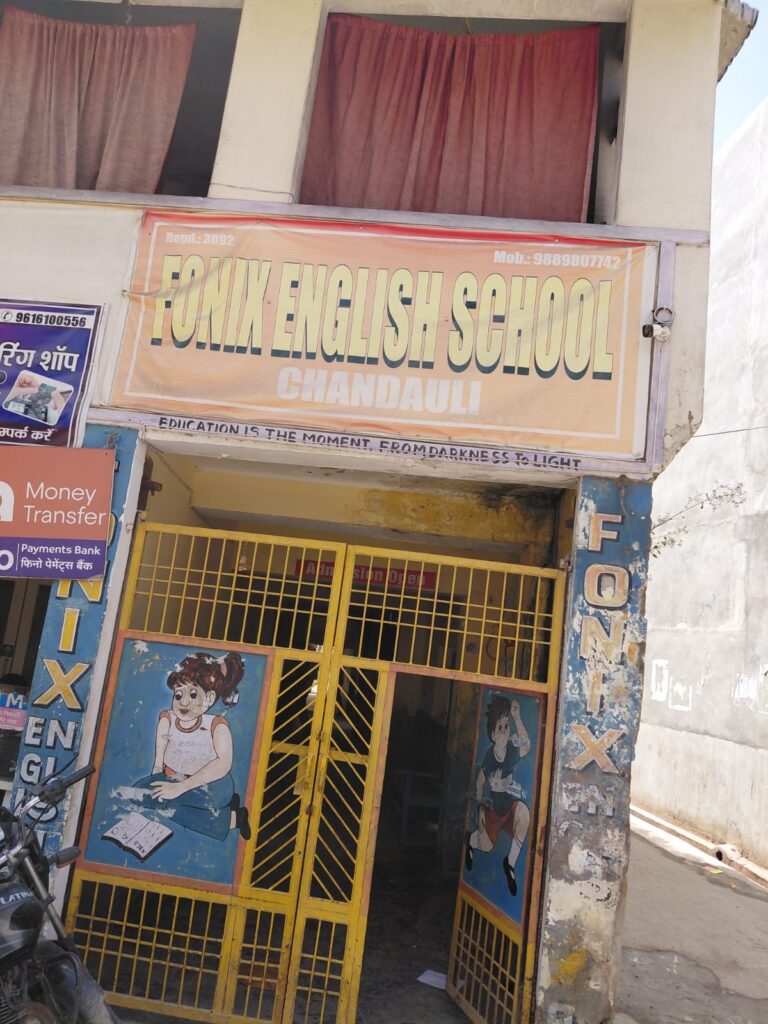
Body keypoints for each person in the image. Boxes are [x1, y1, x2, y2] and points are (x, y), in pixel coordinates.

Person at [135, 652, 251, 841]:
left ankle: (234, 818)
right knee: (138, 796)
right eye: (178, 694)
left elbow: (223, 764)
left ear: (209, 698)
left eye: (193, 694)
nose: (184, 702)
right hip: (173, 778)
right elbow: (160, 752)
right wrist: (156, 777)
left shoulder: (216, 725)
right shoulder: (167, 719)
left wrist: (180, 788)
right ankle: (227, 810)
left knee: (172, 808)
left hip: (212, 785)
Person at [464, 694, 530, 897]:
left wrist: (517, 718)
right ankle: (470, 840)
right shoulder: (489, 757)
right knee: (485, 846)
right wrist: (479, 807)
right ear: (493, 734)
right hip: (492, 808)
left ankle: (509, 862)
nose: (505, 731)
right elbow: (479, 783)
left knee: (524, 815)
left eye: (506, 726)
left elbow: (526, 746)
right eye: (500, 728)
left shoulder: (511, 750)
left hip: (508, 805)